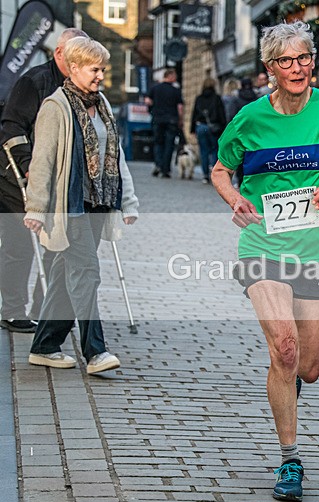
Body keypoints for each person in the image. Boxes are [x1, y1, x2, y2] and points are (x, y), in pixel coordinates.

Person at [210, 21, 319, 502]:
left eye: (304, 57)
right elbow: (221, 169)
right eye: (286, 60)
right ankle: (290, 459)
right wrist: (235, 199)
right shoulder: (249, 118)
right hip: (263, 244)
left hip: (317, 249)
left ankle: (286, 387)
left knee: (308, 366)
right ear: (270, 67)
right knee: (284, 349)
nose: (298, 67)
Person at [23, 36, 139, 374]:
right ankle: (95, 352)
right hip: (70, 205)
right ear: (73, 68)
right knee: (87, 273)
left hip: (98, 203)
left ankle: (45, 345)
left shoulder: (101, 104)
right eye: (94, 69)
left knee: (65, 276)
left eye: (103, 69)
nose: (101, 75)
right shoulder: (55, 107)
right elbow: (42, 161)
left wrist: (128, 201)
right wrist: (36, 208)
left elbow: (116, 155)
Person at [0, 27, 87, 334]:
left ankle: (44, 308)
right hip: (16, 181)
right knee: (19, 246)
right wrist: (28, 166)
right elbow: (11, 127)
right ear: (59, 53)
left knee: (56, 246)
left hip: (58, 180)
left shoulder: (80, 86)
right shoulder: (34, 82)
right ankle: (12, 310)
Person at [145, 68, 183, 178]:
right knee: (169, 144)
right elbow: (180, 107)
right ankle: (165, 169)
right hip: (171, 120)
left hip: (158, 119)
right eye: (174, 75)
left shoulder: (155, 88)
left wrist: (152, 110)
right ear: (170, 76)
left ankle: (158, 164)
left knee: (158, 143)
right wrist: (180, 120)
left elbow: (147, 100)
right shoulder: (175, 90)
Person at [190, 78, 226, 183]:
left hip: (201, 126)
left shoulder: (199, 98)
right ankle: (214, 173)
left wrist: (192, 129)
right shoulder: (217, 98)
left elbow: (194, 113)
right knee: (215, 150)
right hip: (214, 127)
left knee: (203, 151)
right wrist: (224, 127)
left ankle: (205, 175)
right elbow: (221, 114)